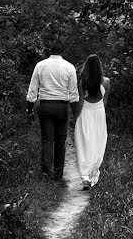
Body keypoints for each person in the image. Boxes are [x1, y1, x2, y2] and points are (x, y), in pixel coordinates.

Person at [26, 40, 79, 181]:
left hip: (45, 106)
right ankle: (58, 173)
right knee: (60, 141)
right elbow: (74, 94)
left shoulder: (40, 65)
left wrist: (29, 110)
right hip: (62, 107)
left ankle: (46, 174)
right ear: (63, 51)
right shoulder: (69, 67)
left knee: (47, 140)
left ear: (50, 50)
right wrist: (75, 114)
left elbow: (32, 90)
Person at [74, 54, 110, 190]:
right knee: (98, 143)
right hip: (99, 114)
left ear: (86, 67)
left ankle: (85, 176)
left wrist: (75, 117)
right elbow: (105, 101)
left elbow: (81, 101)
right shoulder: (106, 81)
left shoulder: (83, 81)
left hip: (86, 113)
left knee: (84, 143)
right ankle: (93, 173)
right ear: (99, 66)